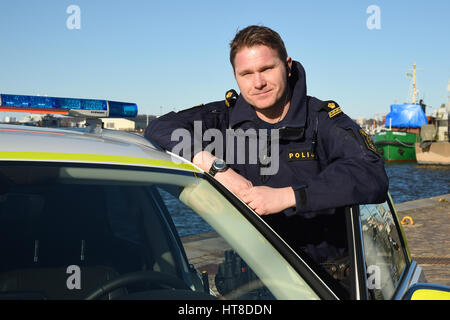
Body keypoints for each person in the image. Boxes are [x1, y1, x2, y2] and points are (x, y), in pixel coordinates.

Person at [145, 25, 388, 267]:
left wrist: (288, 196)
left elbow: (371, 173)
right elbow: (160, 127)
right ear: (235, 76)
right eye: (247, 74)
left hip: (321, 277)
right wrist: (216, 168)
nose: (258, 82)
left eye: (267, 69)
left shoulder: (320, 120)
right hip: (252, 274)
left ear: (288, 66)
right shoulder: (222, 119)